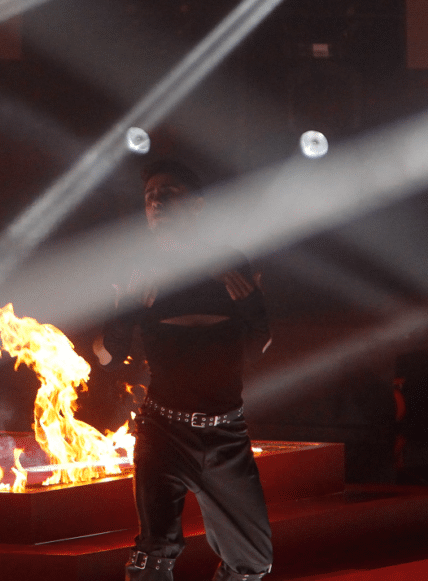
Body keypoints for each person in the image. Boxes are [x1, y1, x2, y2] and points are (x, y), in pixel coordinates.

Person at [95, 159, 273, 581]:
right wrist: (128, 310)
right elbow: (105, 356)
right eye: (150, 197)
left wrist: (250, 305)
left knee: (253, 562)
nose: (156, 202)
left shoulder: (230, 261)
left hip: (226, 434)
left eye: (169, 193)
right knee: (155, 554)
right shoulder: (137, 268)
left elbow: (260, 344)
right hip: (164, 431)